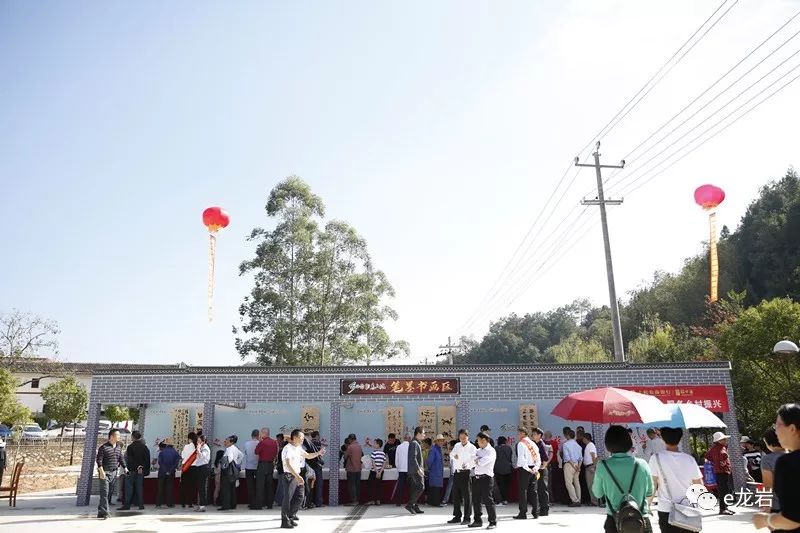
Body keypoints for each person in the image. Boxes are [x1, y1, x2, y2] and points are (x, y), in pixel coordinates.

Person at [592, 425, 654, 533]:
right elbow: (650, 492)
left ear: (608, 444)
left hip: (614, 520)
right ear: (629, 443)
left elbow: (597, 493)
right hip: (641, 519)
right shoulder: (642, 464)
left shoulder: (603, 466)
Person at [753, 403, 800, 532]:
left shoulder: (787, 462)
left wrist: (765, 519)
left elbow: (793, 519)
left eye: (777, 425)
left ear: (792, 428)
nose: (776, 431)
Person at [648, 427, 702, 533]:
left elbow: (653, 485)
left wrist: (648, 504)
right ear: (680, 438)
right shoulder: (689, 459)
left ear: (662, 438)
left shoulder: (656, 458)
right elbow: (699, 485)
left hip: (666, 509)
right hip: (688, 509)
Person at [281, 429, 324, 529]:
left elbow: (308, 456)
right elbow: (287, 464)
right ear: (295, 437)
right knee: (288, 499)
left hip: (297, 476)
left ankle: (291, 516)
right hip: (290, 476)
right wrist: (297, 476)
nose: (303, 440)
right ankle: (285, 521)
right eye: (301, 438)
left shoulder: (298, 448)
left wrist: (319, 453)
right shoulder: (288, 448)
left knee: (300, 496)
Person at [96, 428, 127, 519]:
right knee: (104, 493)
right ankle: (106, 512)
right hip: (105, 472)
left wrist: (125, 468)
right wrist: (101, 471)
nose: (119, 437)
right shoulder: (103, 447)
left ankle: (101, 511)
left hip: (114, 473)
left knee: (109, 493)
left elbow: (121, 458)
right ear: (112, 436)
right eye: (118, 435)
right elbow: (99, 460)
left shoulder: (118, 447)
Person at [447, 428, 476, 525]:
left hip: (466, 472)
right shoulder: (457, 445)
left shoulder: (472, 447)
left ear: (468, 437)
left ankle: (467, 517)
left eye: (464, 438)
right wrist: (453, 456)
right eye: (461, 438)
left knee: (467, 496)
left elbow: (474, 460)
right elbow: (451, 454)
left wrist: (468, 465)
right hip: (457, 472)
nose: (462, 440)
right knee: (456, 495)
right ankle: (457, 516)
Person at [471, 432, 498, 530]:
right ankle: (477, 520)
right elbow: (472, 460)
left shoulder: (491, 451)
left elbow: (482, 462)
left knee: (488, 500)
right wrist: (476, 460)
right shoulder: (478, 450)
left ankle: (492, 521)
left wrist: (477, 460)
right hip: (477, 477)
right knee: (476, 500)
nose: (477, 442)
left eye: (478, 440)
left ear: (484, 440)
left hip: (487, 478)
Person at [514, 426, 541, 520]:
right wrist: (536, 468)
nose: (518, 435)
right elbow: (538, 457)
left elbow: (521, 458)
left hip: (524, 469)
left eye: (519, 433)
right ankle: (536, 512)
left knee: (523, 491)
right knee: (533, 491)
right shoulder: (533, 443)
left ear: (522, 433)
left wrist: (527, 468)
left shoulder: (521, 444)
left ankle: (523, 512)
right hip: (533, 469)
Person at [706, 431, 735, 515]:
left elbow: (707, 456)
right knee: (723, 491)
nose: (725, 440)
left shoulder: (717, 448)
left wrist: (715, 462)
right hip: (722, 472)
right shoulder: (719, 448)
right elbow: (713, 457)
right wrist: (719, 464)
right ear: (719, 440)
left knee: (725, 490)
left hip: (721, 472)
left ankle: (725, 508)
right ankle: (723, 509)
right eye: (723, 439)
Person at [119, 430, 149, 510]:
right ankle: (141, 504)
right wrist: (142, 467)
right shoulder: (144, 447)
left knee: (129, 487)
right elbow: (147, 459)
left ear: (133, 437)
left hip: (131, 469)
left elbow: (130, 460)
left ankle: (127, 505)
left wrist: (137, 466)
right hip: (141, 470)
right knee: (139, 487)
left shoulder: (130, 447)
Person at [759, 427, 786, 513]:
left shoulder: (767, 460)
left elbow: (768, 487)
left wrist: (766, 508)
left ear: (768, 442)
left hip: (778, 506)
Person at [218, 435, 243, 511]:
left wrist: (224, 465)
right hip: (234, 470)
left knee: (226, 488)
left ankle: (226, 505)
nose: (225, 441)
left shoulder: (229, 449)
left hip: (227, 470)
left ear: (231, 442)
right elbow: (241, 455)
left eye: (227, 440)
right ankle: (233, 504)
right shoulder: (235, 448)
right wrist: (237, 463)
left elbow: (229, 458)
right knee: (232, 488)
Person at [255, 427, 278, 510]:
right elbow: (276, 453)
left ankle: (259, 504)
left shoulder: (262, 442)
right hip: (270, 465)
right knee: (269, 485)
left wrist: (260, 442)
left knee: (260, 485)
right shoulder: (274, 442)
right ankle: (269, 504)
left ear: (264, 433)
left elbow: (256, 451)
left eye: (261, 433)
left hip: (262, 465)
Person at [405, 426, 426, 515]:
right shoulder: (414, 443)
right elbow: (413, 458)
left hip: (415, 470)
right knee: (421, 487)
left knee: (415, 488)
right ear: (418, 433)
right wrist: (418, 469)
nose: (424, 435)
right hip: (415, 470)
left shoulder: (415, 443)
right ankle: (410, 505)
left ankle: (414, 506)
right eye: (423, 433)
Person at [155, 438, 180, 509]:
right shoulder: (175, 452)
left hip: (162, 472)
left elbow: (160, 462)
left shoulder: (162, 452)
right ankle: (169, 503)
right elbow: (176, 464)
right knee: (170, 488)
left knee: (160, 488)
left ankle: (158, 503)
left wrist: (165, 470)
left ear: (166, 444)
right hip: (171, 472)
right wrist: (170, 471)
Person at [561, 427, 583, 507]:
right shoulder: (578, 446)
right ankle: (579, 499)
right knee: (577, 482)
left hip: (569, 465)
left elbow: (567, 457)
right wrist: (579, 466)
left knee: (569, 483)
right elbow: (581, 458)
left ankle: (575, 500)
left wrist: (573, 465)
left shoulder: (566, 444)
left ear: (567, 436)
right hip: (577, 464)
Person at [303, 430, 324, 508]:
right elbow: (318, 455)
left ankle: (310, 502)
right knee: (318, 485)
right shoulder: (316, 443)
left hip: (309, 466)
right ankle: (318, 502)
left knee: (310, 485)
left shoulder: (305, 444)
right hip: (316, 466)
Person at [192, 434, 211, 512]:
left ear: (203, 441)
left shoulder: (205, 448)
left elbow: (202, 456)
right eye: (197, 440)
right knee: (200, 487)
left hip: (203, 468)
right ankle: (200, 505)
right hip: (199, 467)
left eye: (199, 441)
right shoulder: (201, 447)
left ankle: (203, 506)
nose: (197, 442)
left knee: (202, 487)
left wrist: (199, 449)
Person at [180, 432, 199, 508]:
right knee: (192, 486)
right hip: (194, 468)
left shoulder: (186, 446)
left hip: (186, 468)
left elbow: (183, 456)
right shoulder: (197, 447)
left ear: (189, 439)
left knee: (184, 485)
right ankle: (190, 503)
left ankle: (183, 502)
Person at [493, 436, 513, 505]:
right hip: (507, 469)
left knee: (499, 485)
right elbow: (510, 458)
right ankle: (505, 499)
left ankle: (499, 500)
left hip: (498, 469)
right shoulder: (509, 448)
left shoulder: (495, 449)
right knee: (505, 485)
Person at [243, 429, 260, 509]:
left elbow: (246, 453)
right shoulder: (260, 443)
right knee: (258, 485)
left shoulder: (247, 443)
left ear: (251, 435)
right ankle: (258, 502)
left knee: (250, 486)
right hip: (257, 467)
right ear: (258, 436)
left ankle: (251, 503)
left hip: (248, 467)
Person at [344, 433, 363, 505]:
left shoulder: (350, 447)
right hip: (358, 468)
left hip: (351, 469)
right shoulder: (359, 446)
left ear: (350, 439)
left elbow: (345, 457)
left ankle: (353, 501)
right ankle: (357, 500)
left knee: (351, 485)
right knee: (357, 484)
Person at [427, 434, 445, 507]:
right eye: (440, 441)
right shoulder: (433, 449)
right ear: (436, 441)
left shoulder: (438, 449)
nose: (441, 442)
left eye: (442, 441)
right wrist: (431, 469)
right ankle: (435, 503)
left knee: (436, 487)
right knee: (435, 487)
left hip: (438, 471)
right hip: (434, 471)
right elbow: (429, 461)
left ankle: (433, 502)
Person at [582, 433, 599, 506]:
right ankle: (593, 500)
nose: (582, 440)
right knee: (590, 484)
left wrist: (594, 466)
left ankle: (595, 501)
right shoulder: (588, 445)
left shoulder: (591, 445)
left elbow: (593, 456)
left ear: (586, 438)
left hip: (590, 466)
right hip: (588, 466)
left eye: (583, 438)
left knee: (591, 484)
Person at [393, 435, 410, 505]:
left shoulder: (399, 447)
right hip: (409, 469)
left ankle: (398, 502)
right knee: (410, 486)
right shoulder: (411, 446)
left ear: (404, 438)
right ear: (409, 439)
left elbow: (396, 459)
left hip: (401, 469)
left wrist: (398, 468)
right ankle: (410, 502)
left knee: (400, 486)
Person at [369, 438, 387, 505]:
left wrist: (376, 472)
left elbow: (373, 463)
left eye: (374, 443)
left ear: (378, 445)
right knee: (379, 486)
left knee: (372, 486)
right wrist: (380, 472)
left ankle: (373, 500)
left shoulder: (373, 453)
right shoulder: (383, 453)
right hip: (381, 472)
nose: (373, 444)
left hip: (374, 472)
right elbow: (384, 464)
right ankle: (378, 500)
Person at [274, 433, 286, 506]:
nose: (277, 441)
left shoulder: (284, 448)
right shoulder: (280, 448)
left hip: (283, 470)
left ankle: (280, 501)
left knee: (282, 486)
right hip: (280, 469)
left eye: (278, 440)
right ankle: (279, 500)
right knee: (280, 485)